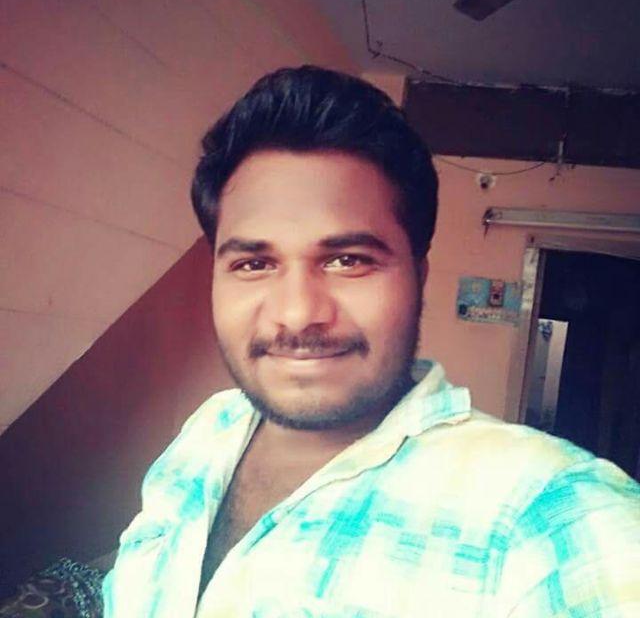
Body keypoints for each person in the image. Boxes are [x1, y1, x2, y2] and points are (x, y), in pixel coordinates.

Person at [103, 66, 640, 617]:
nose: (297, 313)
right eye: (254, 263)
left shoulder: (547, 516)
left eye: (348, 260)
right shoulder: (209, 427)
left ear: (418, 276)